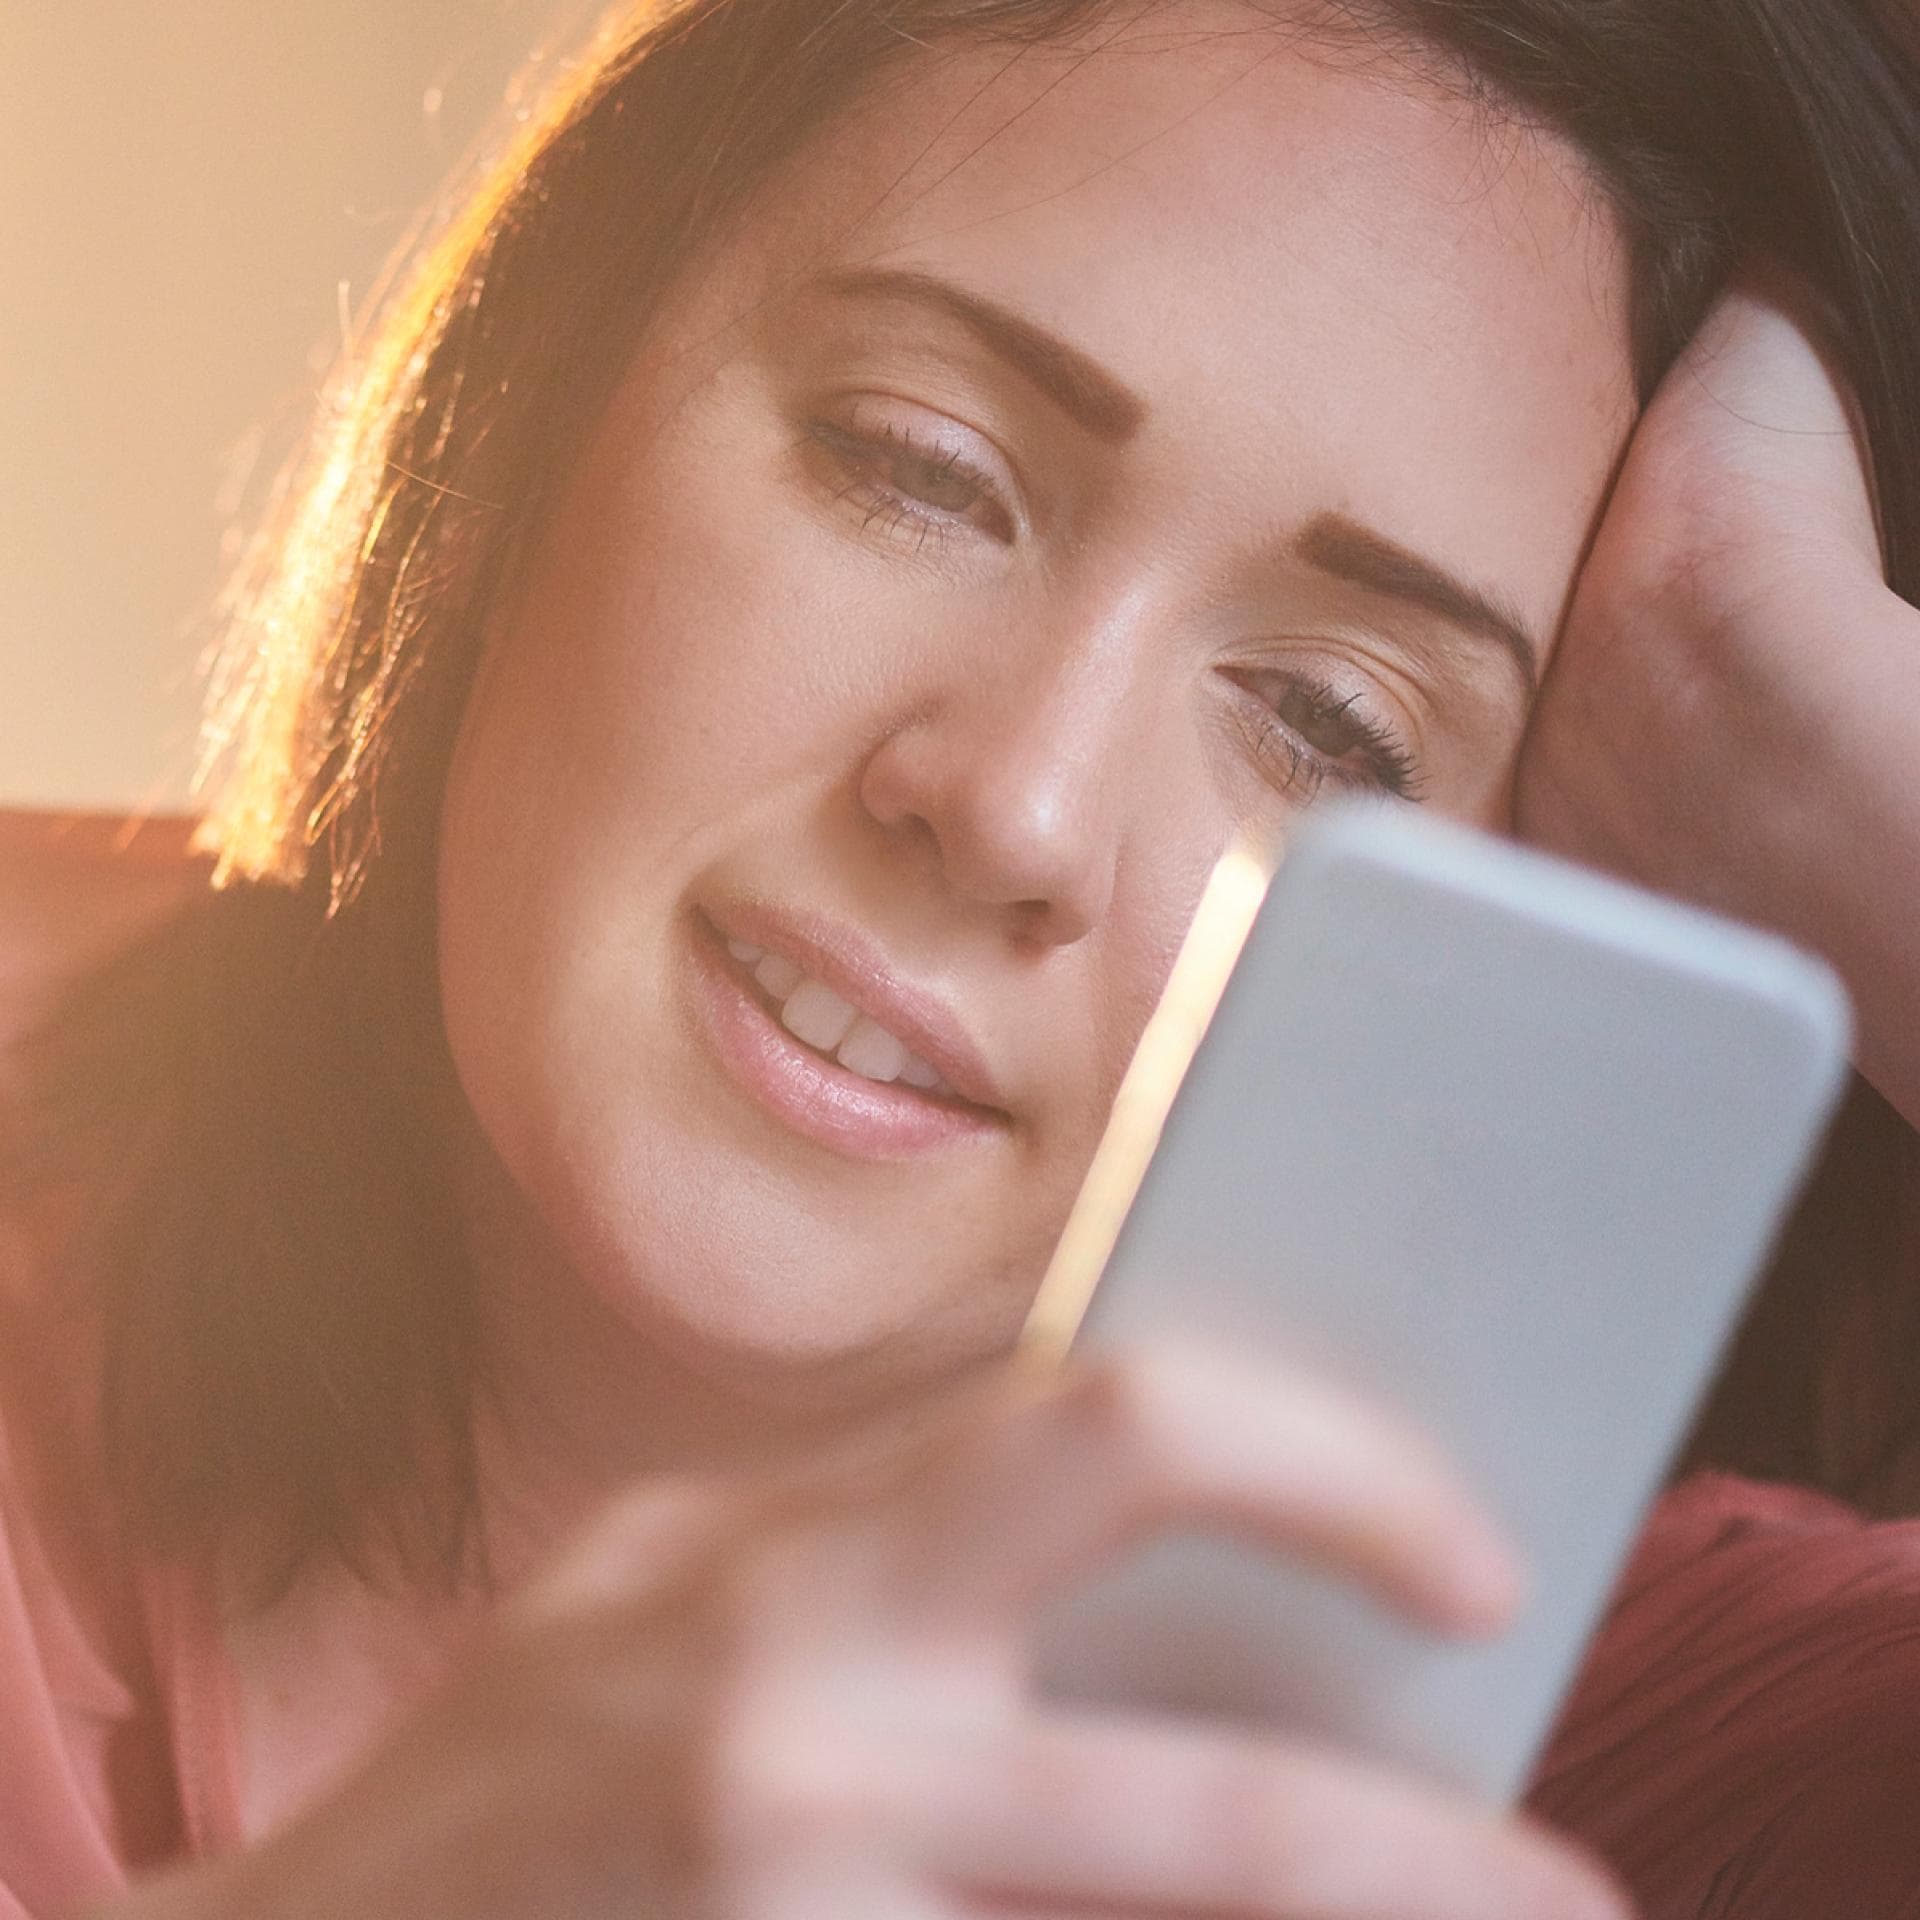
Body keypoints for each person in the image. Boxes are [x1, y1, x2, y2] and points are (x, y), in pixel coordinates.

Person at [3, 1, 1919, 1915]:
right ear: (541, 391)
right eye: (915, 468)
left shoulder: (1690, 1733)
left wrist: (1852, 790)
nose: (1016, 806)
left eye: (1331, 726)